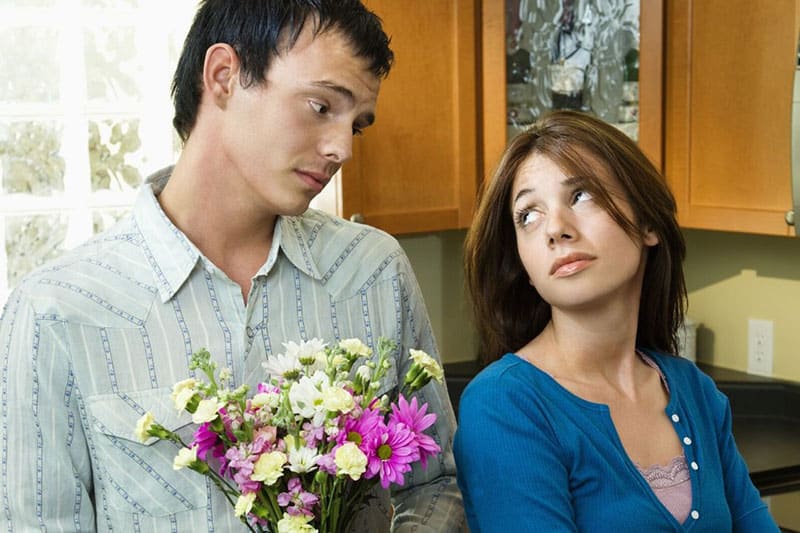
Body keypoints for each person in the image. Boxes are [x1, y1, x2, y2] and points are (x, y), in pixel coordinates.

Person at [0, 1, 464, 531]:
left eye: (355, 125)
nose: (341, 149)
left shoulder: (375, 272)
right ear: (224, 76)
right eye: (320, 107)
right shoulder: (53, 314)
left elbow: (434, 483)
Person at [454, 110, 777, 532]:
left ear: (647, 223)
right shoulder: (504, 405)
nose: (555, 229)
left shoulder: (694, 391)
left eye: (581, 195)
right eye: (528, 216)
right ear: (523, 264)